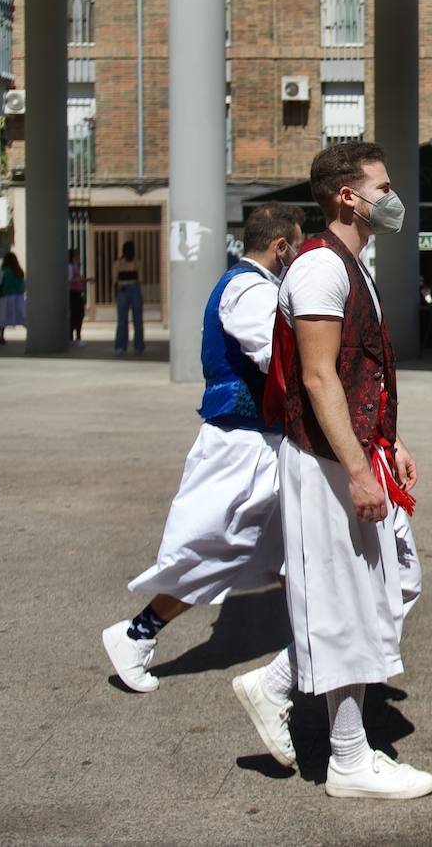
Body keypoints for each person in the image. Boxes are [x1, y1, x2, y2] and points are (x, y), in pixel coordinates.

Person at [101, 205, 306, 758]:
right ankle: (136, 633)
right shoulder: (250, 289)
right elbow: (279, 356)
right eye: (299, 246)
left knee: (294, 553)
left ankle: (309, 655)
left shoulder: (248, 284)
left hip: (260, 442)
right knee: (212, 550)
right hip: (242, 446)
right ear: (283, 246)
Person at [264, 141, 432, 800]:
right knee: (344, 601)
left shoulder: (352, 266)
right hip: (324, 460)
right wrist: (361, 472)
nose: (392, 199)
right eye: (382, 187)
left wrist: (390, 442)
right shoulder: (317, 270)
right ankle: (348, 759)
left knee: (390, 586)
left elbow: (363, 373)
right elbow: (317, 376)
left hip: (354, 452)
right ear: (347, 196)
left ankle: (279, 683)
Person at [114, 240, 145, 355]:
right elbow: (115, 279)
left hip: (129, 289)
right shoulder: (119, 263)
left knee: (135, 320)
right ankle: (125, 345)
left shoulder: (136, 262)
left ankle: (135, 345)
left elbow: (115, 280)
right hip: (127, 290)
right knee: (124, 320)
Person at [0, 251, 25, 344]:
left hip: (5, 296)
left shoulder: (3, 270)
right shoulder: (19, 271)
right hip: (18, 297)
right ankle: (33, 333)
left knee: (2, 317)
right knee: (21, 316)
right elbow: (24, 285)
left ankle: (1, 337)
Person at [68, 249, 88, 347]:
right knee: (76, 315)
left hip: (77, 293)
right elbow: (69, 280)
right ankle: (74, 338)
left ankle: (76, 337)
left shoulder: (75, 267)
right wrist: (82, 279)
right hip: (73, 293)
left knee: (78, 315)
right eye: (77, 255)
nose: (79, 257)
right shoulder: (70, 267)